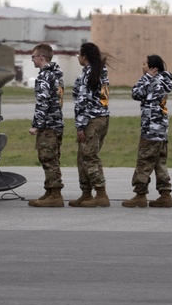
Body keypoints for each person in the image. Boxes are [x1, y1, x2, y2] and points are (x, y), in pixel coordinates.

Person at [124, 55, 172, 208]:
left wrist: (146, 77)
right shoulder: (164, 81)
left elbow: (136, 93)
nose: (142, 67)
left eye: (144, 64)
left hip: (151, 129)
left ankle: (140, 195)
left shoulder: (153, 82)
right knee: (159, 163)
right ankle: (165, 195)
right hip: (161, 130)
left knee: (144, 161)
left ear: (153, 68)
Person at [69, 42, 110, 207]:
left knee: (89, 156)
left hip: (91, 120)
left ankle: (101, 193)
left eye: (79, 54)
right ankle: (86, 193)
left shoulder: (90, 73)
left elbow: (82, 101)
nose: (78, 57)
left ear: (84, 56)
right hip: (101, 118)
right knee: (83, 157)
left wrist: (80, 126)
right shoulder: (99, 72)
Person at [27, 43, 66, 208]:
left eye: (33, 57)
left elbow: (42, 103)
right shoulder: (56, 75)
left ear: (41, 57)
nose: (32, 60)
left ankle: (55, 194)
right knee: (52, 157)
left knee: (48, 158)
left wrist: (36, 125)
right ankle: (50, 190)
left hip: (48, 125)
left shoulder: (44, 76)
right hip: (56, 122)